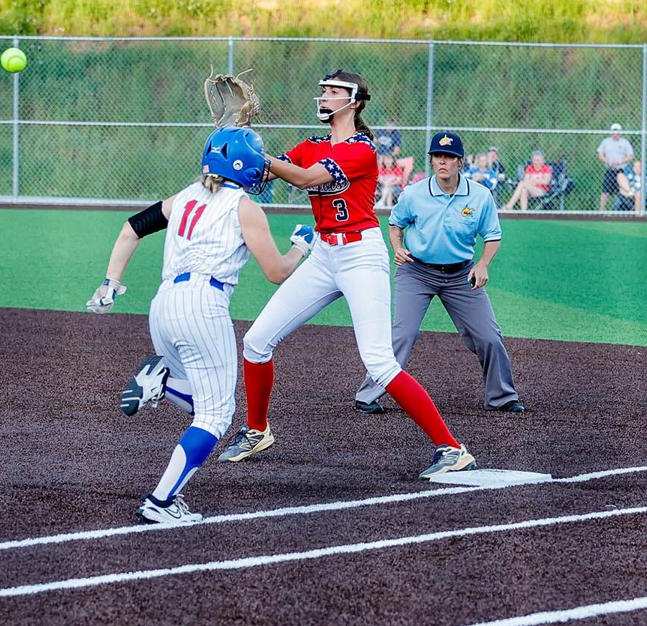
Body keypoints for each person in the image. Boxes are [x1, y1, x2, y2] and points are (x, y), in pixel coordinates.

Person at [216, 69, 478, 480]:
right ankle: (257, 430)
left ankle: (452, 448)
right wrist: (237, 140)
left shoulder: (362, 149)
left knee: (379, 361)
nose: (324, 95)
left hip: (360, 256)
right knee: (255, 342)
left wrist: (257, 156)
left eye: (334, 90)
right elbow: (261, 176)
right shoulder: (313, 144)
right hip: (324, 254)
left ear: (353, 102)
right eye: (323, 90)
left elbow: (305, 177)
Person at [85, 127, 312, 524]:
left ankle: (162, 383)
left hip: (163, 305)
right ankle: (161, 501)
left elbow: (130, 228)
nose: (262, 169)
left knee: (207, 404)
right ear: (242, 165)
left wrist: (110, 283)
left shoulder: (186, 196)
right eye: (257, 162)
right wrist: (301, 247)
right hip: (203, 305)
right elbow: (276, 272)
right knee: (216, 416)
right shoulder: (244, 207)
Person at [352, 132, 524, 417]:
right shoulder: (414, 193)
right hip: (417, 272)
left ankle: (501, 396)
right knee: (403, 334)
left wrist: (483, 264)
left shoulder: (479, 196)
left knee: (489, 336)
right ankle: (367, 395)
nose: (443, 162)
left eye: (449, 157)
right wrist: (398, 247)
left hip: (460, 275)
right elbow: (395, 223)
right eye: (437, 156)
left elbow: (493, 236)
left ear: (460, 162)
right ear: (431, 161)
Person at [598, 123, 634, 212]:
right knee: (605, 192)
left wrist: (621, 161)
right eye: (614, 132)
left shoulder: (625, 142)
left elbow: (631, 156)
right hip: (610, 170)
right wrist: (607, 161)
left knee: (625, 191)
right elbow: (600, 155)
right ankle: (601, 211)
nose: (616, 134)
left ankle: (634, 209)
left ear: (620, 132)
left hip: (621, 171)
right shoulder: (606, 142)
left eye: (617, 132)